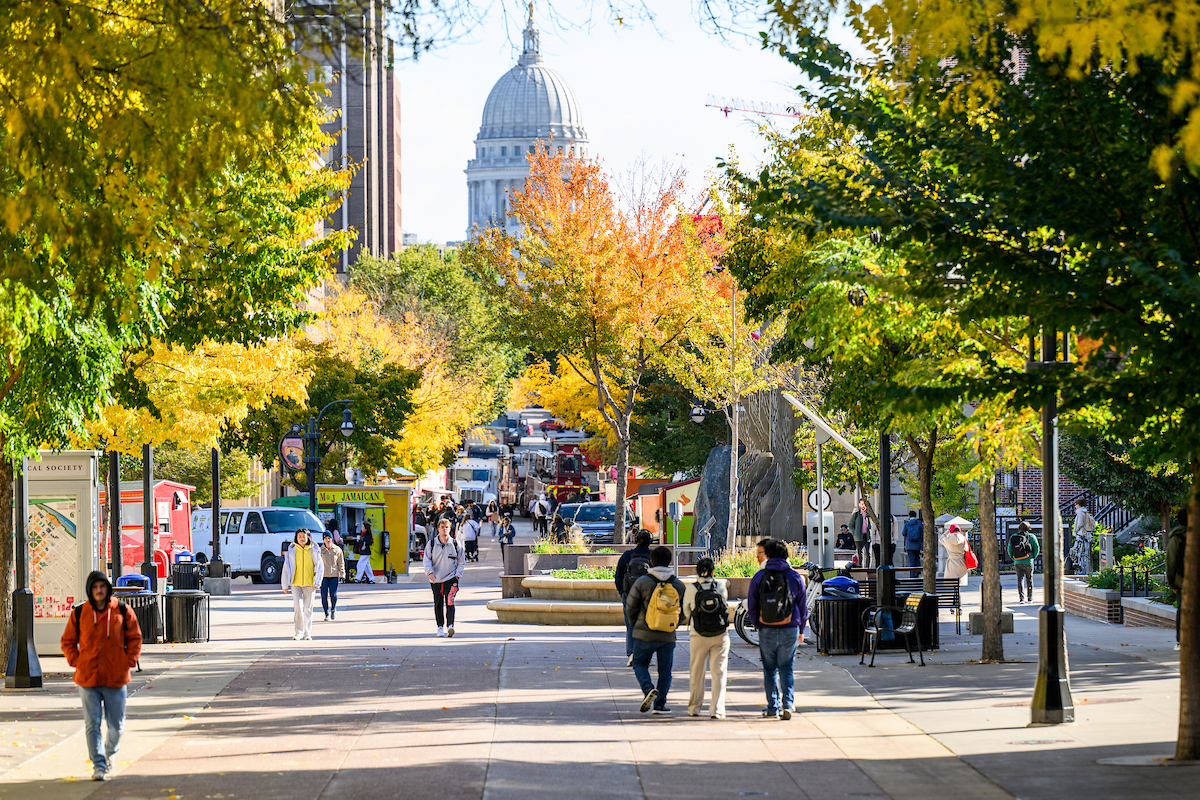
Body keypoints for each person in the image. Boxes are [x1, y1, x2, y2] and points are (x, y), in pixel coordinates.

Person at [61, 570, 143, 781]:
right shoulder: (79, 612)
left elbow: (135, 638)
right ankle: (98, 765)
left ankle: (109, 753)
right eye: (95, 587)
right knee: (92, 724)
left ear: (108, 589)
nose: (99, 591)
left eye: (102, 586)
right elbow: (67, 641)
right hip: (88, 678)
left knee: (117, 725)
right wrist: (76, 661)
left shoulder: (123, 611)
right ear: (90, 590)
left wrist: (129, 661)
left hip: (115, 677)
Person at [747, 538, 807, 720]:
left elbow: (752, 605)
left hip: (766, 627)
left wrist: (758, 624)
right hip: (790, 627)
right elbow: (802, 607)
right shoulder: (795, 577)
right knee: (787, 667)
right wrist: (801, 629)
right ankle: (788, 704)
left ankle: (773, 707)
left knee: (769, 669)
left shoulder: (759, 576)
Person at [625, 545, 686, 715]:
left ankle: (648, 688)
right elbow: (686, 610)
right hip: (667, 635)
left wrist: (635, 625)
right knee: (665, 670)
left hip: (644, 633)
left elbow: (631, 606)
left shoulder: (643, 582)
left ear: (651, 561)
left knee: (639, 663)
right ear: (670, 562)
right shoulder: (678, 585)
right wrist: (674, 624)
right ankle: (660, 704)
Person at [682, 556, 730, 719]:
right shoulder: (721, 586)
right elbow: (725, 607)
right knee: (719, 672)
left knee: (696, 671)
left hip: (698, 635)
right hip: (720, 635)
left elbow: (687, 612)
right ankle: (717, 710)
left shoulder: (691, 588)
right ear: (712, 571)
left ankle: (694, 708)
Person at [614, 530, 654, 666]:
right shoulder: (651, 556)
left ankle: (631, 653)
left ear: (636, 540)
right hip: (648, 596)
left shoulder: (627, 555)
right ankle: (646, 654)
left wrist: (622, 592)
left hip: (629, 595)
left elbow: (618, 576)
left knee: (630, 625)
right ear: (650, 541)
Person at [423, 518, 465, 637]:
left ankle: (450, 625)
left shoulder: (455, 544)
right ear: (438, 529)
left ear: (450, 529)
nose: (444, 529)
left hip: (451, 578)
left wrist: (458, 575)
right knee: (438, 603)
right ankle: (440, 627)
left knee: (450, 601)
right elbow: (426, 560)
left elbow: (461, 560)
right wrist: (430, 572)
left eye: (446, 527)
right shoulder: (431, 544)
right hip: (436, 579)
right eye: (442, 527)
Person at [282, 528, 325, 640]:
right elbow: (286, 567)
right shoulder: (292, 550)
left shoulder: (314, 550)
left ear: (308, 537)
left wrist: (318, 582)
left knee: (308, 608)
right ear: (296, 538)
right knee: (298, 607)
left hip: (310, 584)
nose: (302, 538)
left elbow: (320, 567)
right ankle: (298, 632)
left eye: (304, 536)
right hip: (295, 584)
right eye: (299, 536)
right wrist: (285, 585)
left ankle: (307, 633)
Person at [1167, 508, 1187, 649]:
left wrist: (1172, 583)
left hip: (1182, 581)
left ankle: (1181, 641)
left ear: (1178, 521)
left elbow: (1171, 562)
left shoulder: (1176, 538)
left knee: (1182, 609)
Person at [1008, 521, 1039, 604]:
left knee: (1020, 580)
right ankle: (1030, 598)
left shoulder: (1013, 537)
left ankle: (1021, 598)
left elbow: (1009, 549)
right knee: (1029, 579)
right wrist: (1032, 557)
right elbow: (1036, 549)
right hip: (1029, 562)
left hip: (1017, 561)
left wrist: (1014, 558)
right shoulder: (1032, 537)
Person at [320, 532, 346, 621]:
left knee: (333, 594)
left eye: (329, 538)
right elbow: (317, 564)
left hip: (334, 575)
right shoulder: (320, 550)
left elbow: (341, 562)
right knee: (324, 595)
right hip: (323, 576)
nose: (328, 540)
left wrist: (342, 573)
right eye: (326, 538)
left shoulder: (337, 550)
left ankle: (333, 609)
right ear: (323, 540)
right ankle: (326, 613)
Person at [1071, 499, 1097, 575]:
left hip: (1080, 535)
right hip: (1086, 535)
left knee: (1079, 553)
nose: (1075, 506)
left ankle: (1081, 570)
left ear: (1078, 505)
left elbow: (1079, 524)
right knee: (1086, 553)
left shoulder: (1080, 513)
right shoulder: (1085, 512)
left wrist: (1075, 532)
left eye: (1075, 504)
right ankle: (1086, 570)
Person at [849, 499, 873, 568]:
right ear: (859, 504)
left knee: (868, 553)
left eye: (864, 504)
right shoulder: (856, 515)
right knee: (860, 553)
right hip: (858, 536)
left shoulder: (869, 514)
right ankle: (860, 568)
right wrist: (854, 532)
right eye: (862, 504)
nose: (863, 506)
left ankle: (868, 568)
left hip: (867, 536)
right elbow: (850, 525)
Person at [902, 511, 924, 578]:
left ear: (909, 516)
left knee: (911, 561)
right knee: (917, 558)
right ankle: (917, 572)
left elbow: (903, 533)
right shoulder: (919, 523)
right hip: (917, 545)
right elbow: (922, 534)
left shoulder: (907, 523)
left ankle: (912, 576)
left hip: (909, 545)